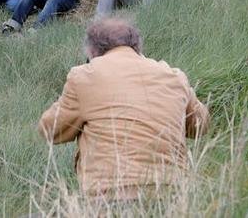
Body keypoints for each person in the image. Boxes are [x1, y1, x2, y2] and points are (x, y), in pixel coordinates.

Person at [38, 18, 209, 199]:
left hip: (110, 195)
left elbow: (49, 129)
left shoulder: (84, 76)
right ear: (137, 47)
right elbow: (202, 125)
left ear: (92, 51)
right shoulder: (174, 76)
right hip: (171, 192)